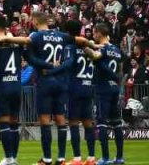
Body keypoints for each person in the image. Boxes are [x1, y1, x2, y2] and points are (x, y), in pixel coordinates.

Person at [26, 12, 77, 165]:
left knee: (45, 120)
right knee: (61, 119)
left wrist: (47, 66)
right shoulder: (61, 36)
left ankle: (47, 159)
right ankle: (61, 158)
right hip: (61, 82)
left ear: (35, 21)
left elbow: (30, 58)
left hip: (45, 81)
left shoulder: (35, 36)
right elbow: (74, 47)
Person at [84, 23, 125, 165]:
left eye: (94, 33)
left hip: (103, 88)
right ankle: (119, 158)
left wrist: (84, 45)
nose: (93, 36)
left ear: (99, 33)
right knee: (117, 124)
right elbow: (120, 70)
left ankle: (106, 158)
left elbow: (95, 56)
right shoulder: (117, 50)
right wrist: (117, 84)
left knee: (102, 123)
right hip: (114, 88)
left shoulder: (105, 49)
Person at [0, 16, 26, 165]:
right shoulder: (17, 42)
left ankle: (9, 157)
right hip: (16, 85)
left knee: (3, 122)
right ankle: (14, 158)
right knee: (14, 122)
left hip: (2, 85)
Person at [61, 20, 96, 165]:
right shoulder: (88, 47)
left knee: (74, 123)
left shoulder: (70, 46)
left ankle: (77, 158)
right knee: (88, 123)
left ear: (67, 32)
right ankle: (91, 157)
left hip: (75, 87)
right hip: (88, 86)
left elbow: (68, 65)